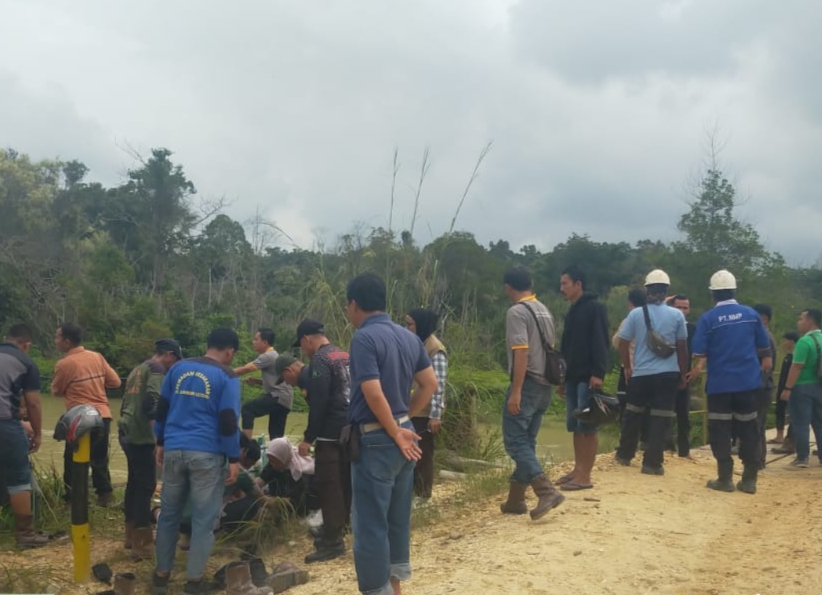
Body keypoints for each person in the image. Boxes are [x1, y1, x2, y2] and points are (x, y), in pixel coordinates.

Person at [345, 273, 438, 595]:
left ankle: (377, 590)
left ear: (354, 304)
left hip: (378, 438)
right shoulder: (409, 338)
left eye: (348, 306)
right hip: (405, 436)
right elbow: (430, 384)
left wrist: (393, 429)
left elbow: (371, 391)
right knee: (397, 520)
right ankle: (395, 588)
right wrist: (404, 419)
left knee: (370, 525)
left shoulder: (364, 339)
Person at [152, 328, 242, 595]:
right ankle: (193, 583)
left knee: (168, 515)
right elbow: (228, 421)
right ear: (229, 351)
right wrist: (234, 457)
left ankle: (161, 577)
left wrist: (160, 441)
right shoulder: (227, 376)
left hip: (174, 450)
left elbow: (162, 408)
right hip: (206, 453)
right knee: (204, 521)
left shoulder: (178, 368)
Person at [690, 270, 772, 494]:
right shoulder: (751, 314)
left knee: (720, 429)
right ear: (734, 290)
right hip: (748, 383)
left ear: (713, 295)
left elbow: (698, 351)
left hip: (720, 385)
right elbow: (764, 347)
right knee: (749, 429)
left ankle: (724, 478)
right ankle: (749, 480)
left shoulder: (708, 319)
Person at [498, 268, 565, 517]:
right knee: (527, 441)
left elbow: (521, 351)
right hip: (545, 383)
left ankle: (546, 491)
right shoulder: (543, 309)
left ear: (508, 287)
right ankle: (515, 501)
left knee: (515, 442)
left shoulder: (517, 312)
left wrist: (516, 391)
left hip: (527, 383)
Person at [615, 270, 688, 475]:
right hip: (668, 375)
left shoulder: (636, 314)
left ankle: (625, 454)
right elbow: (682, 347)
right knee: (660, 418)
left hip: (641, 374)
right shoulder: (676, 315)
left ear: (647, 290)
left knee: (633, 414)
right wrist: (683, 374)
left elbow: (622, 342)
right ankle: (652, 463)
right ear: (667, 290)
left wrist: (628, 367)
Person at [293, 318, 352, 564]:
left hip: (330, 432)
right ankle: (339, 526)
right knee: (345, 482)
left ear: (307, 339)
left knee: (328, 485)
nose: (303, 351)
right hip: (351, 428)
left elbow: (319, 403)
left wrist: (308, 438)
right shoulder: (344, 354)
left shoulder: (319, 360)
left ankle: (332, 543)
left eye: (301, 345)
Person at [118, 338, 182, 559]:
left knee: (134, 485)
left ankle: (130, 535)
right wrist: (159, 439)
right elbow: (151, 404)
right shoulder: (156, 370)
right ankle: (143, 544)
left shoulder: (139, 368)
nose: (172, 367)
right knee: (146, 486)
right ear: (169, 355)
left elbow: (128, 401)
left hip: (126, 431)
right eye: (174, 361)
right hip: (141, 436)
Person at [51, 322, 121, 507]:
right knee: (99, 458)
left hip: (78, 418)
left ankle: (74, 499)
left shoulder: (64, 364)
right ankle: (105, 496)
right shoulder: (96, 357)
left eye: (57, 337)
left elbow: (56, 391)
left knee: (72, 459)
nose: (55, 341)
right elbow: (115, 382)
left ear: (66, 342)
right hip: (102, 415)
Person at [557, 266, 609, 491]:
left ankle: (585, 476)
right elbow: (566, 347)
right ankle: (577, 469)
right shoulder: (573, 310)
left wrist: (598, 373)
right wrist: (561, 377)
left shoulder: (594, 308)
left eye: (565, 284)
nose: (562, 289)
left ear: (578, 284)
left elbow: (601, 341)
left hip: (588, 376)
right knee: (576, 426)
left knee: (588, 426)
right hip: (572, 376)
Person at [0, 323, 48, 548]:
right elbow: (34, 404)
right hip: (5, 424)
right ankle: (25, 534)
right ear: (26, 344)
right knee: (19, 478)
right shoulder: (26, 362)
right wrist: (37, 433)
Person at [405, 309, 448, 508]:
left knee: (423, 454)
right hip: (412, 408)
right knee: (411, 453)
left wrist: (435, 415)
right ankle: (412, 492)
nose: (408, 328)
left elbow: (438, 384)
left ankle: (423, 495)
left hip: (425, 411)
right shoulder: (416, 345)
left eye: (411, 324)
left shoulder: (434, 348)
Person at [779, 309, 822, 468]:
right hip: (819, 386)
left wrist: (787, 388)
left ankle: (802, 457)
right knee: (819, 422)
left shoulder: (804, 342)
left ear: (810, 320)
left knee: (801, 423)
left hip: (802, 386)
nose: (799, 322)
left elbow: (796, 366)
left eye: (801, 319)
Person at [235, 329, 294, 441]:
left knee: (247, 409)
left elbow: (247, 368)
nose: (253, 342)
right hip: (285, 400)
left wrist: (223, 372)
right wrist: (257, 381)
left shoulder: (268, 355)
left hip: (278, 396)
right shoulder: (274, 355)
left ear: (265, 342)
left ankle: (246, 446)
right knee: (275, 437)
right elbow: (276, 380)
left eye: (256, 339)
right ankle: (277, 456)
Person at [668, 294, 697, 458]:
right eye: (678, 307)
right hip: (667, 373)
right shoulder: (666, 325)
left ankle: (684, 450)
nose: (682, 311)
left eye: (685, 307)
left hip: (685, 375)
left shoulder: (692, 328)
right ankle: (667, 448)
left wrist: (698, 367)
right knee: (664, 413)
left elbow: (702, 350)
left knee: (683, 415)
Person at [259, 437, 316, 517]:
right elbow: (261, 480)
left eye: (276, 462)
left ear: (284, 458)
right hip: (281, 497)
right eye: (270, 461)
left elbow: (296, 502)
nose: (273, 465)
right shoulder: (275, 461)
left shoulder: (298, 473)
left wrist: (268, 501)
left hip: (301, 507)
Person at [613, 289, 646, 423]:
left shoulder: (629, 320)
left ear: (630, 302)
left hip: (629, 369)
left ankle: (627, 439)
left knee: (627, 409)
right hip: (648, 370)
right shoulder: (652, 319)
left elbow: (617, 342)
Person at [753, 304, 777, 469]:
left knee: (755, 425)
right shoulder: (765, 336)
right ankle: (758, 459)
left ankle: (757, 461)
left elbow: (765, 366)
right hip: (764, 386)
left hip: (760, 386)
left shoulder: (764, 338)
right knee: (758, 425)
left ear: (764, 318)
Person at [771, 332, 799, 448]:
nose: (783, 343)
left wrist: (788, 388)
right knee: (779, 410)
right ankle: (779, 435)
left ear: (792, 341)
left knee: (792, 413)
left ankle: (790, 439)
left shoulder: (795, 357)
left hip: (789, 388)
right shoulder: (787, 357)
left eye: (785, 340)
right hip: (782, 387)